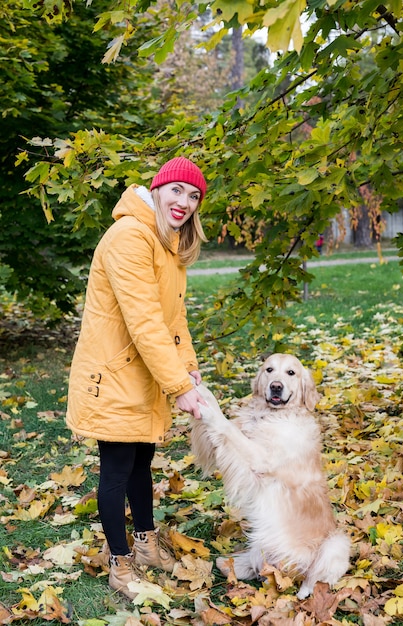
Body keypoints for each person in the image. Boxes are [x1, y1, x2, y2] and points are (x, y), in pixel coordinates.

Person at [66, 156, 208, 599]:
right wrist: (179, 387)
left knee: (142, 463)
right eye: (177, 190)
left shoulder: (166, 242)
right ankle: (120, 561)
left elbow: (173, 318)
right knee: (116, 469)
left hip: (142, 373)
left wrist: (188, 365)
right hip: (113, 375)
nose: (184, 202)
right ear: (158, 188)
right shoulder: (131, 235)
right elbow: (145, 322)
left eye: (194, 195)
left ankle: (145, 545)